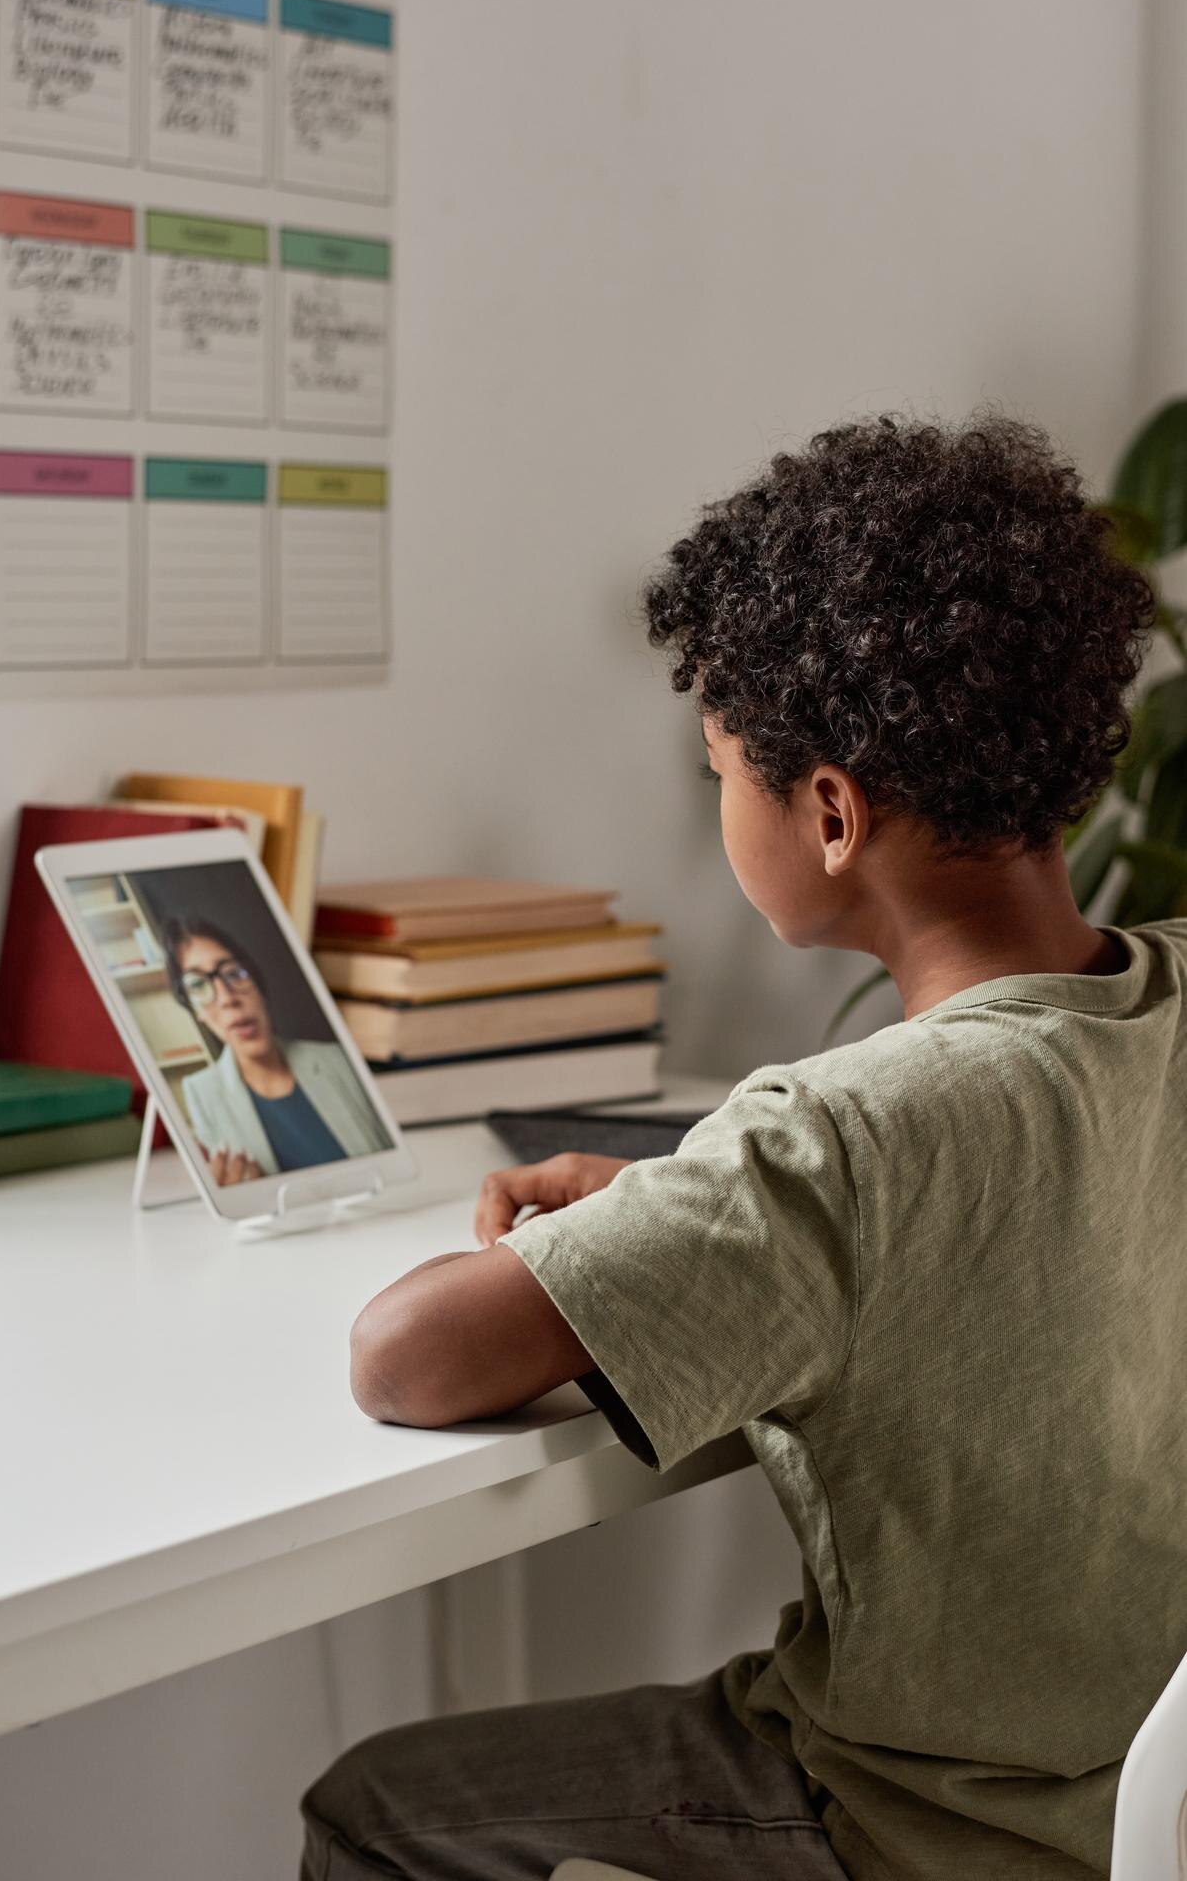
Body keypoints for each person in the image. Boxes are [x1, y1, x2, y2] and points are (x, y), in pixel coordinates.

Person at [302, 414, 1187, 1881]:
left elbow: (407, 1355)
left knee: (376, 1808)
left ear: (828, 811)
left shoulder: (836, 1144)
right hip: (1136, 1813)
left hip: (927, 1826)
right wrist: (683, 1200)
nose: (717, 802)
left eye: (720, 767)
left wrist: (648, 1219)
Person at [165, 917, 387, 1184]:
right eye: (198, 986)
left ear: (259, 988)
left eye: (234, 973)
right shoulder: (202, 1095)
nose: (227, 998)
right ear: (196, 1012)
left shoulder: (338, 1059)